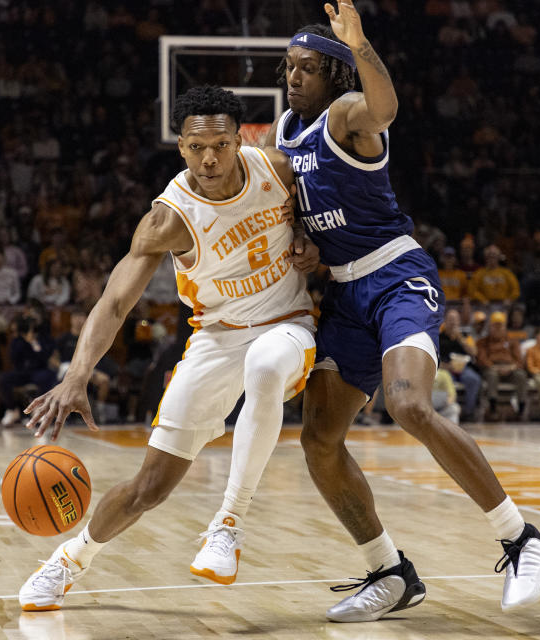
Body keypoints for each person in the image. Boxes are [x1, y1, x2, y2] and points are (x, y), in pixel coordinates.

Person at [257, 6, 540, 620]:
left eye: (307, 69)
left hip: (397, 277)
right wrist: (304, 243)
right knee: (318, 440)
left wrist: (361, 45)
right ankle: (390, 572)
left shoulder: (345, 116)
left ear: (335, 77)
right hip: (343, 294)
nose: (293, 78)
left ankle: (523, 538)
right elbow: (291, 209)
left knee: (410, 405)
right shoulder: (281, 134)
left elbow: (384, 109)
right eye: (288, 68)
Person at [17, 86, 317, 611]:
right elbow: (113, 303)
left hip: (287, 322)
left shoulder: (277, 169)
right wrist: (77, 375)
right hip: (217, 339)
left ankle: (228, 523)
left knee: (267, 366)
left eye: (221, 145)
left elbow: (331, 215)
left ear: (238, 141)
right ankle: (70, 559)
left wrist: (314, 243)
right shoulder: (169, 218)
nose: (209, 158)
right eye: (197, 147)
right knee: (148, 487)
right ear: (180, 145)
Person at [477, 311, 529, 420]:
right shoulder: (483, 342)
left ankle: (521, 408)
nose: (497, 329)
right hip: (492, 368)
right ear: (490, 327)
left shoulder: (512, 341)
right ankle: (493, 408)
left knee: (521, 375)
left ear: (505, 327)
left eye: (500, 326)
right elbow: (481, 359)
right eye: (495, 326)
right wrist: (493, 366)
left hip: (510, 368)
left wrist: (511, 367)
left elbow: (519, 360)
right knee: (492, 375)